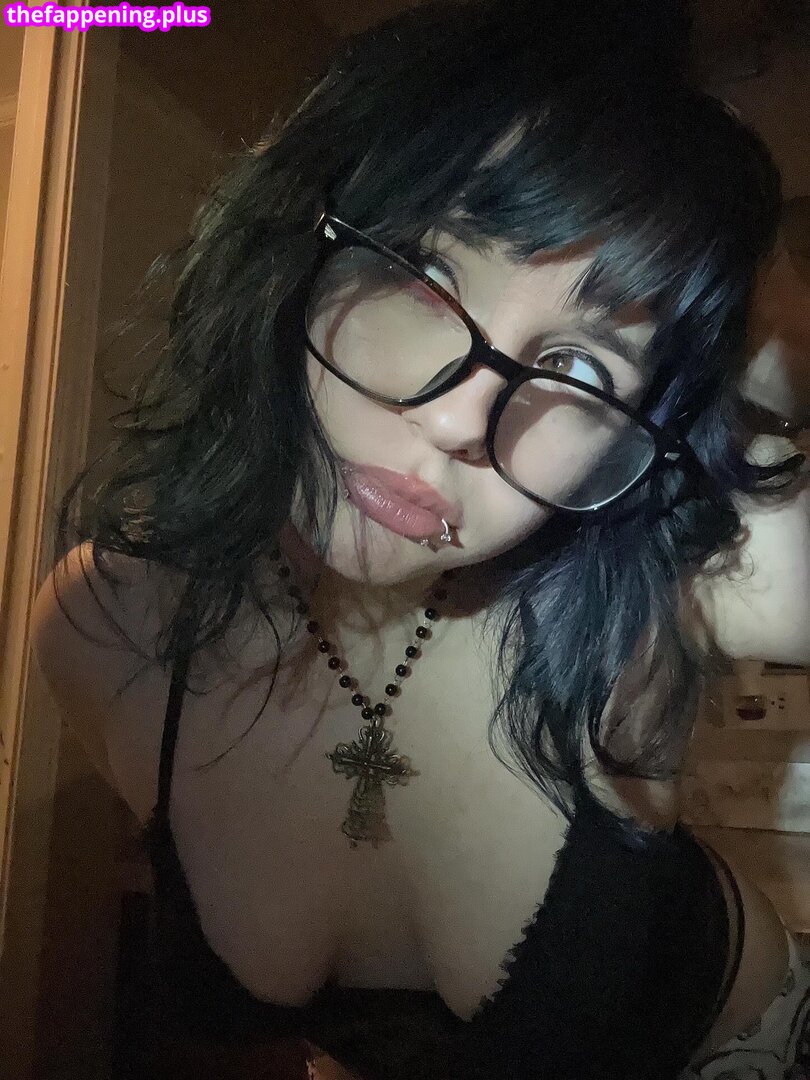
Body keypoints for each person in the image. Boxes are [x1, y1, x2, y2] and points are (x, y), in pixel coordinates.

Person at [30, 1, 810, 1077]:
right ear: (300, 246)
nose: (458, 420)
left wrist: (738, 293)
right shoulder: (100, 628)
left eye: (580, 368)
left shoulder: (660, 572)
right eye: (428, 278)